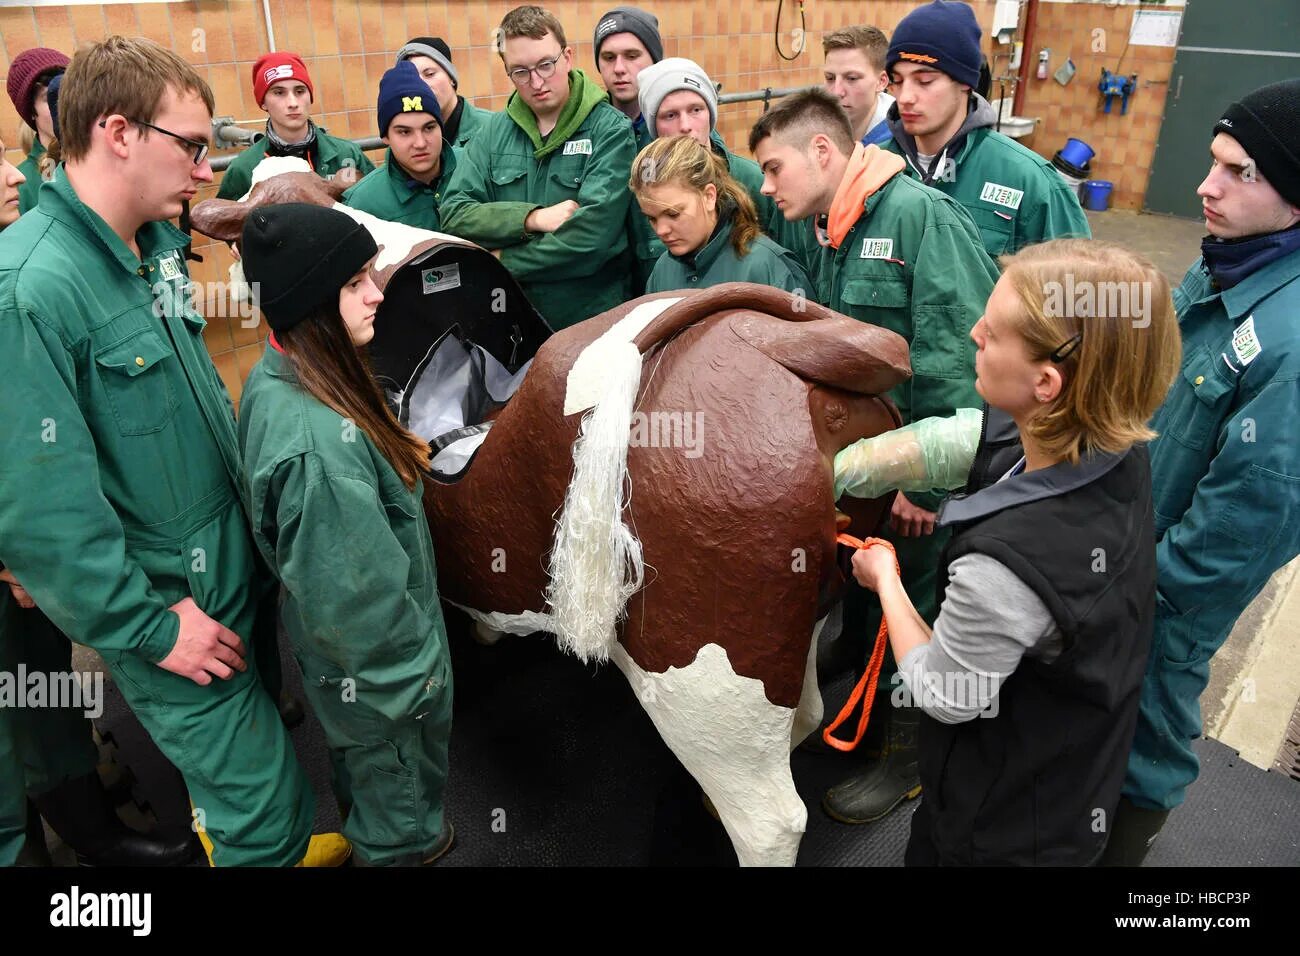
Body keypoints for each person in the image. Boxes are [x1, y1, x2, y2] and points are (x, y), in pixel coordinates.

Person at [0, 36, 348, 867]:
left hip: (230, 575)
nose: (202, 170)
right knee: (261, 811)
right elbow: (45, 517)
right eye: (191, 146)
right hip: (170, 611)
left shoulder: (149, 247)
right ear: (119, 132)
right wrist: (149, 630)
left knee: (266, 778)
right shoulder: (30, 290)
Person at [836, 238, 1181, 864]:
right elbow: (977, 440)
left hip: (1000, 831)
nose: (973, 334)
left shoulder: (1007, 565)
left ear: (1046, 382)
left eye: (992, 334)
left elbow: (947, 695)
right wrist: (853, 465)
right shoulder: (1114, 445)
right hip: (1073, 771)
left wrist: (885, 579)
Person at [750, 87, 999, 826]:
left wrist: (928, 487)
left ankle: (905, 757)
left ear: (822, 152)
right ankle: (857, 689)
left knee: (913, 605)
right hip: (869, 464)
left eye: (773, 169)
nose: (767, 187)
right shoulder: (832, 224)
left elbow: (961, 363)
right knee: (863, 590)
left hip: (918, 475)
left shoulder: (917, 218)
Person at [1103, 79, 1300, 865]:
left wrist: (1133, 592)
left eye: (1240, 171)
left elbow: (1234, 543)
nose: (1206, 187)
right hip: (1122, 554)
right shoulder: (1225, 266)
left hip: (1160, 603)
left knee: (1142, 736)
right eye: (1213, 163)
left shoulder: (1289, 349)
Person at [238, 203, 455, 867]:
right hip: (385, 694)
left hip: (355, 688)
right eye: (356, 281)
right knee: (399, 818)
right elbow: (358, 610)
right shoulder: (317, 452)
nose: (377, 292)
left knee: (374, 786)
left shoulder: (289, 373)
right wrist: (419, 692)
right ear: (311, 303)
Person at [440, 5, 636, 330]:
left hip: (589, 322)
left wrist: (501, 259)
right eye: (520, 71)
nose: (536, 81)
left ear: (568, 57)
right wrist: (531, 218)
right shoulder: (492, 133)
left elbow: (590, 239)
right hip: (511, 319)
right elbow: (454, 214)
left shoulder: (609, 130)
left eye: (546, 65)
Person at [883, 0, 1089, 257]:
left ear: (965, 83)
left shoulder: (1031, 182)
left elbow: (1072, 285)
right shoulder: (873, 167)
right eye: (897, 81)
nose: (905, 97)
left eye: (924, 81)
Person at [633, 56, 815, 290]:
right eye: (670, 115)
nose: (686, 126)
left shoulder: (757, 183)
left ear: (710, 195)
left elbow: (796, 268)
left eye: (696, 110)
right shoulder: (663, 269)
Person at [630, 133, 810, 294]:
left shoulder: (769, 268)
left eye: (673, 214)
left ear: (709, 196)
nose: (661, 230)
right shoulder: (662, 270)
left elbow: (806, 329)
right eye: (652, 218)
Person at [216, 51, 374, 201]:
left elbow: (378, 208)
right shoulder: (244, 168)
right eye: (279, 93)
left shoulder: (347, 154)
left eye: (300, 91)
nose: (293, 103)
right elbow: (227, 224)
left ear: (310, 96)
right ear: (263, 102)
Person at [342, 62, 457, 230]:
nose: (420, 143)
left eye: (429, 128)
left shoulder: (474, 168)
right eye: (404, 132)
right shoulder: (362, 204)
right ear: (385, 137)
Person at [396, 36, 493, 153]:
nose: (422, 85)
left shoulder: (492, 128)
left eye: (430, 74)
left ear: (451, 77)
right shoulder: (405, 140)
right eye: (413, 79)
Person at [5, 47, 69, 213]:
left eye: (68, 93)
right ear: (31, 112)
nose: (63, 105)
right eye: (49, 98)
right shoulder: (19, 187)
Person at [593, 5, 663, 149]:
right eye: (609, 57)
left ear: (655, 61)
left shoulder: (680, 122)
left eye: (631, 56)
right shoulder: (587, 125)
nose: (619, 69)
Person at [823, 26, 894, 147]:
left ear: (881, 82)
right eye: (830, 78)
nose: (836, 92)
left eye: (852, 78)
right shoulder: (814, 130)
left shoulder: (904, 142)